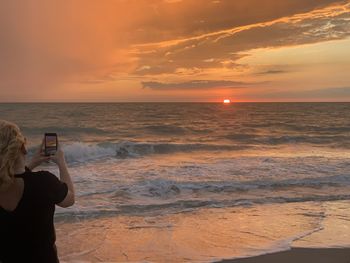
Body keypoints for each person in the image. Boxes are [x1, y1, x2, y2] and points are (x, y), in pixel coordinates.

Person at [0, 120, 75, 263]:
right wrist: (61, 162)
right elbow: (69, 199)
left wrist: (32, 163)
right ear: (23, 148)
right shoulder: (44, 182)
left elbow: (14, 178)